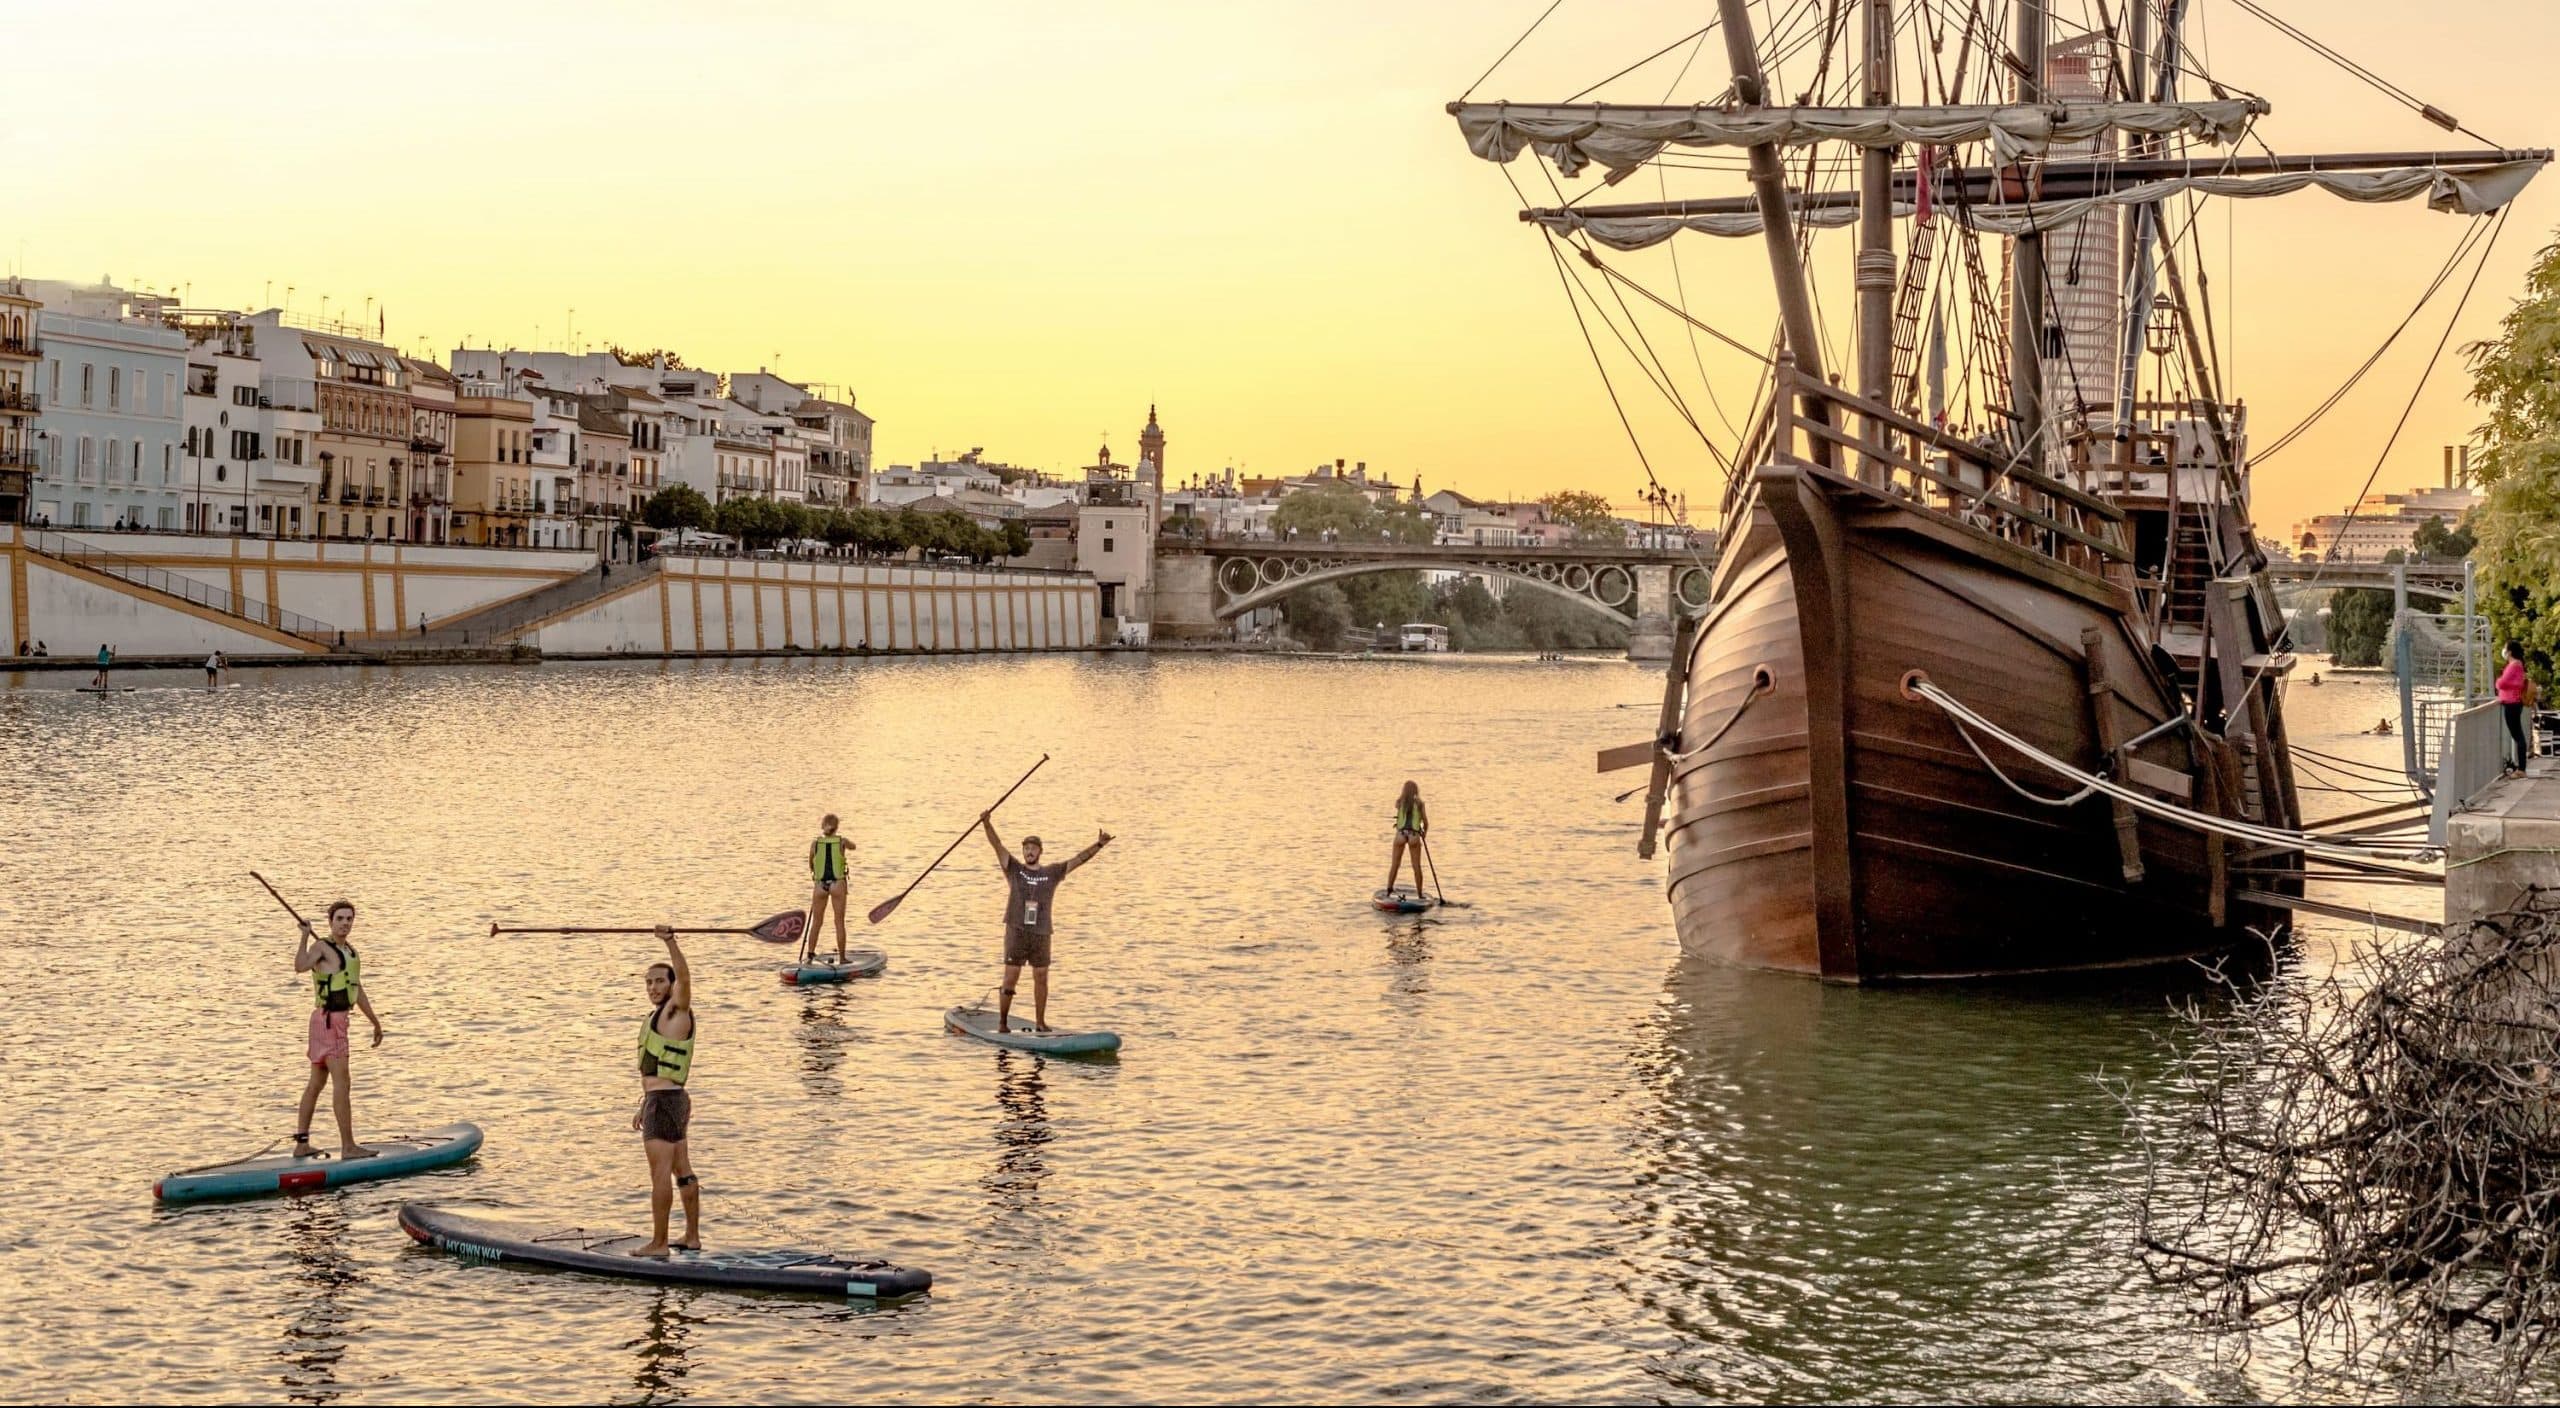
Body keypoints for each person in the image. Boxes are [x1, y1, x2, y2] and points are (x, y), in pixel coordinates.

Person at [980, 813, 1113, 1034]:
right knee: (1011, 977)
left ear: (1040, 851)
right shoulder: (1014, 869)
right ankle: (1002, 1023)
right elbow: (997, 845)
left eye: (1033, 848)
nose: (1029, 851)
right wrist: (987, 824)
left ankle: (1040, 1023)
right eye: (1026, 848)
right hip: (1017, 930)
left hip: (1041, 933)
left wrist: (1098, 845)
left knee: (1041, 977)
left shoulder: (1051, 873)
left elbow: (1078, 860)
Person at [291, 900, 382, 1161]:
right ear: (330, 921)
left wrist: (375, 1022)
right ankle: (348, 1147)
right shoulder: (322, 947)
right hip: (329, 1023)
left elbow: (356, 989)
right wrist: (304, 936)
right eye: (340, 919)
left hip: (330, 1022)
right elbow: (300, 966)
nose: (345, 923)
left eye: (349, 919)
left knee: (317, 1082)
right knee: (342, 1083)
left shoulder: (351, 953)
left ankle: (302, 1144)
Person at [634, 926, 699, 1256]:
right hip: (668, 1099)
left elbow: (685, 979)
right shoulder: (660, 1017)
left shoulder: (677, 1011)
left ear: (672, 985)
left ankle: (659, 1244)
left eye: (660, 981)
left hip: (664, 1103)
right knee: (681, 1170)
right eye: (648, 982)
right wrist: (643, 1104)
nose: (653, 988)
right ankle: (691, 1237)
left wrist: (670, 942)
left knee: (659, 1174)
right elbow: (656, 1068)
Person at [804, 814, 854, 965]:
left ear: (822, 826)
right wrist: (845, 842)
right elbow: (854, 846)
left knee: (816, 922)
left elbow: (811, 863)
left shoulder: (815, 844)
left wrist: (815, 876)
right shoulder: (842, 842)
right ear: (836, 827)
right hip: (837, 884)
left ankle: (810, 955)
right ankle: (843, 958)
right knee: (839, 922)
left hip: (820, 885)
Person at [1385, 780, 1429, 898]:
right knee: (1416, 866)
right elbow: (1425, 822)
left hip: (1400, 835)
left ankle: (1389, 890)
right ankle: (1420, 894)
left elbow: (1400, 810)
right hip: (1414, 835)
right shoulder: (1420, 804)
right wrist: (1424, 833)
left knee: (1395, 864)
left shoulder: (1399, 802)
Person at [2498, 641, 2537, 775]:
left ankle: (2521, 769)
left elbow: (2502, 683)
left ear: (2509, 651)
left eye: (2505, 648)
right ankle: (2521, 768)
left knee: (2517, 735)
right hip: (2513, 702)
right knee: (2517, 734)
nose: (2503, 650)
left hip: (2511, 703)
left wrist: (2498, 682)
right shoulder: (2517, 665)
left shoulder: (2514, 665)